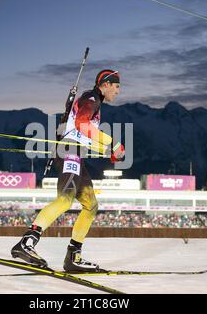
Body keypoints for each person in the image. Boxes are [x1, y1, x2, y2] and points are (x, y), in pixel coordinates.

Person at [11, 69, 125, 272]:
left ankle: (73, 257)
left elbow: (84, 135)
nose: (118, 91)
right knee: (65, 199)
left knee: (91, 205)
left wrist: (108, 150)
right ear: (106, 84)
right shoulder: (91, 97)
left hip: (76, 152)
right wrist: (113, 143)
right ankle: (27, 242)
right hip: (70, 151)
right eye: (116, 86)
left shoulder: (94, 102)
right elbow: (81, 125)